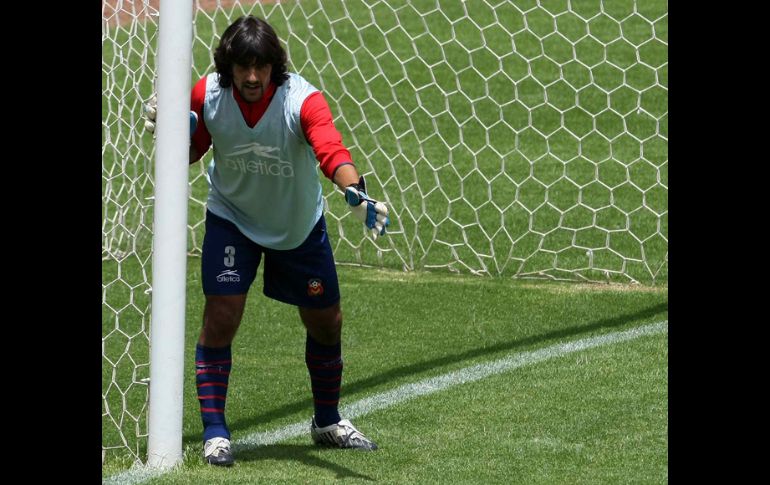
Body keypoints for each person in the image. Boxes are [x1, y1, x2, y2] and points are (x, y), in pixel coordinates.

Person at [144, 15, 389, 466]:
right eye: (243, 67)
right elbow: (192, 153)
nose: (252, 77)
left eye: (261, 66)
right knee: (221, 314)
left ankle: (327, 421)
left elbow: (330, 149)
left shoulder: (303, 99)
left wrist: (355, 191)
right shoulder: (208, 94)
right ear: (228, 67)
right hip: (232, 218)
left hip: (296, 226)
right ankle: (215, 433)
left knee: (326, 321)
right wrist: (174, 127)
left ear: (275, 66)